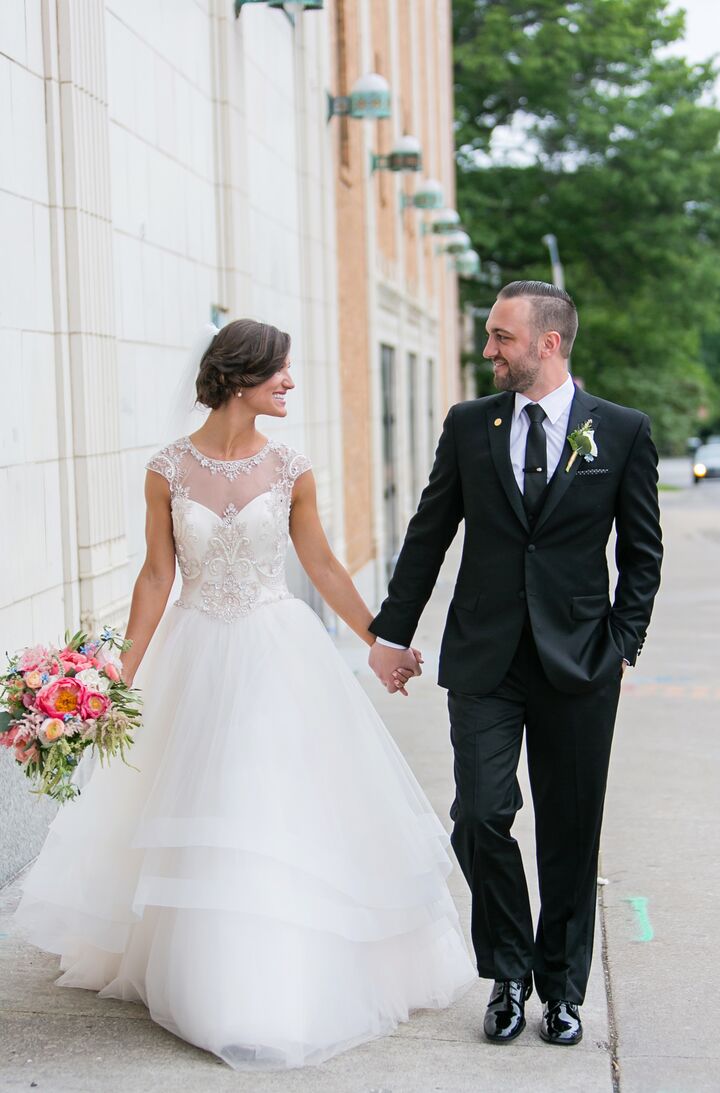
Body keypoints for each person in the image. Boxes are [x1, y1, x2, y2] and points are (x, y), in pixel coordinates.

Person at [15, 319, 475, 1069]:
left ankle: (268, 976)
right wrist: (114, 683)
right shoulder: (165, 468)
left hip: (275, 650)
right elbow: (157, 578)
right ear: (239, 376)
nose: (291, 382)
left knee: (265, 800)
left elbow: (321, 565)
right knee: (200, 803)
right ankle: (202, 969)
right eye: (280, 371)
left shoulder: (292, 466)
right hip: (193, 654)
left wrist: (377, 639)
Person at [368, 281, 663, 1046]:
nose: (488, 349)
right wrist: (389, 634)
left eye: (501, 337)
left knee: (570, 827)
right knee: (481, 812)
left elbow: (641, 553)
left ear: (548, 343)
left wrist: (620, 645)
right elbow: (429, 533)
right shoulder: (470, 424)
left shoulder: (621, 430)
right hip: (484, 658)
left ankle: (561, 989)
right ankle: (508, 970)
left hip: (578, 663)